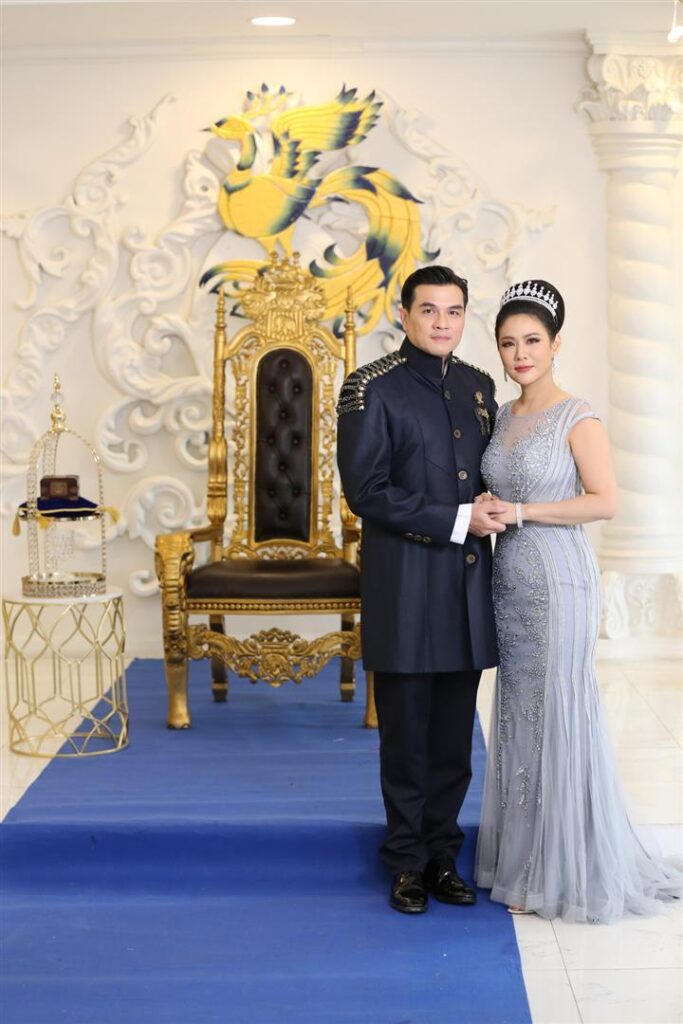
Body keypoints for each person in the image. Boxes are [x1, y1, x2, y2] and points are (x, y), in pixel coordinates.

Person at [474, 279, 681, 922]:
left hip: (560, 578)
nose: (520, 355)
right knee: (519, 711)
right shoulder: (501, 415)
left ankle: (564, 866)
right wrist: (486, 506)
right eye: (508, 343)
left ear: (556, 344)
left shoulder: (577, 415)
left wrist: (522, 511)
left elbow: (605, 501)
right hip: (510, 581)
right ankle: (523, 859)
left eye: (532, 341)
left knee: (558, 708)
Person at [337, 265, 505, 914]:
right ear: (402, 314)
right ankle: (405, 862)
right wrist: (459, 519)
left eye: (453, 311)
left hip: (466, 588)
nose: (441, 322)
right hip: (404, 587)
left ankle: (442, 857)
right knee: (406, 740)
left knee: (453, 744)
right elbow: (366, 491)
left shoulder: (478, 386)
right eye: (428, 309)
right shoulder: (369, 388)